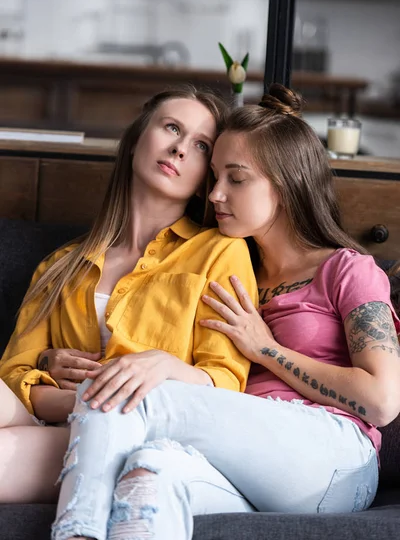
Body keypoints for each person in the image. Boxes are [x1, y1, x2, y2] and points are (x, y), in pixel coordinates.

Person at [51, 84, 400, 540]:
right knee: (147, 474)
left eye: (236, 179)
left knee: (123, 390)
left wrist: (266, 350)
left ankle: (75, 534)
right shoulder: (228, 269)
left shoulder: (348, 270)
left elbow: (382, 401)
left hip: (334, 460)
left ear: (286, 184)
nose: (214, 194)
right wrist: (47, 361)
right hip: (245, 463)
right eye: (214, 176)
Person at [0, 86, 259, 503]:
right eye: (171, 128)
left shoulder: (220, 253)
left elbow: (225, 383)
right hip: (55, 420)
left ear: (204, 182)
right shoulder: (61, 265)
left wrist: (163, 367)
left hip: (137, 437)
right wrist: (59, 381)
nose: (178, 149)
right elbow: (13, 374)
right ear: (138, 138)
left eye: (199, 146)